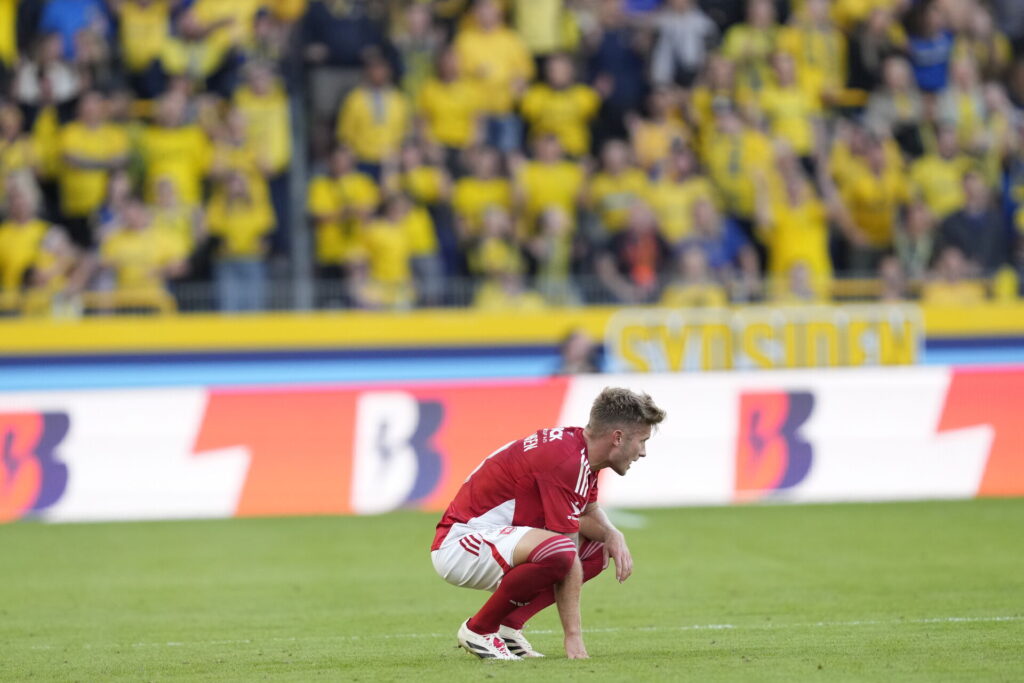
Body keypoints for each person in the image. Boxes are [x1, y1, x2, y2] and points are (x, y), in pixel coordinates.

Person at [430, 387, 666, 660]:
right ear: (617, 437)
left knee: (595, 550)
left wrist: (612, 534)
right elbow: (565, 555)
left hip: (497, 539)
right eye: (642, 441)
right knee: (560, 553)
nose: (644, 452)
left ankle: (508, 627)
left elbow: (587, 512)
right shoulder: (566, 461)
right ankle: (480, 629)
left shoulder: (581, 453)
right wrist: (574, 637)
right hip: (461, 544)